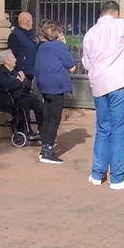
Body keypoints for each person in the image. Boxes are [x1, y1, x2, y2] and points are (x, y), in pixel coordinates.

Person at [82, 0, 124, 190]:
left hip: (99, 85)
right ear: (116, 13)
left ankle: (97, 173)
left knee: (103, 128)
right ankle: (117, 177)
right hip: (119, 82)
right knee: (119, 130)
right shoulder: (122, 24)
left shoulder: (90, 33)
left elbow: (86, 63)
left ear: (102, 14)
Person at [34, 21, 77, 164]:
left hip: (44, 87)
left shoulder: (42, 47)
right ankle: (47, 150)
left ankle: (44, 148)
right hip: (57, 86)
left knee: (46, 119)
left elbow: (38, 67)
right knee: (54, 120)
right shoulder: (59, 46)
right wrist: (63, 44)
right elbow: (70, 62)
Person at [0, 50, 43, 141]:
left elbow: (27, 83)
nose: (15, 59)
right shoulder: (1, 72)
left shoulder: (14, 71)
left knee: (37, 102)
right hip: (9, 99)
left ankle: (42, 129)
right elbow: (7, 86)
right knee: (24, 104)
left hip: (19, 96)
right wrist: (19, 81)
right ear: (6, 61)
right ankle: (27, 130)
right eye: (13, 58)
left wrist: (20, 80)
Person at [7, 12, 39, 86]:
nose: (32, 23)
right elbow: (12, 53)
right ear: (28, 22)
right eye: (31, 21)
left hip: (30, 70)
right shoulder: (15, 35)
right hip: (22, 72)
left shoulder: (29, 34)